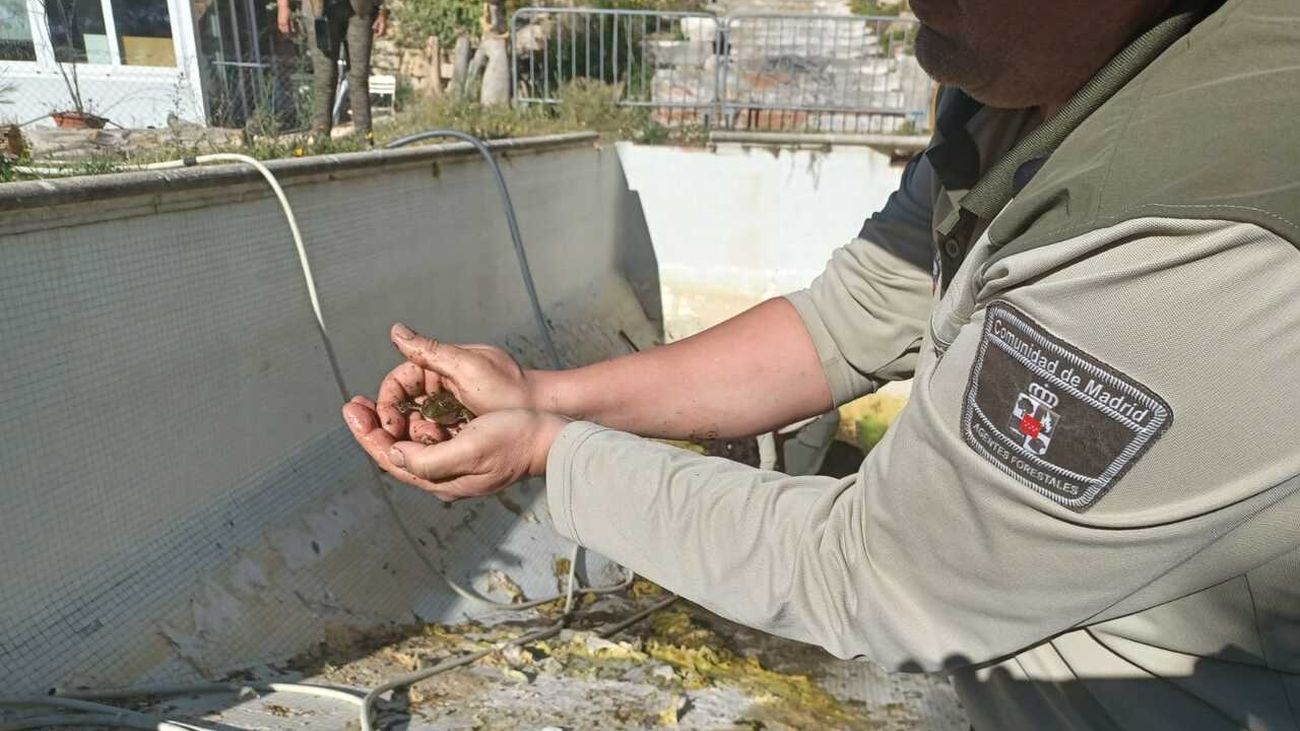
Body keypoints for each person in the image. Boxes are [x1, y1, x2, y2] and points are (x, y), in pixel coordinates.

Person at [342, 0, 1300, 727]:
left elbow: (877, 575)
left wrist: (551, 452)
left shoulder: (1195, 224)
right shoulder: (1040, 83)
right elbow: (856, 313)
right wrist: (543, 392)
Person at [276, 0, 387, 137]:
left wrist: (382, 9)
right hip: (317, 8)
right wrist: (283, 6)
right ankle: (320, 139)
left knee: (359, 78)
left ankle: (365, 140)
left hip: (360, 8)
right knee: (324, 77)